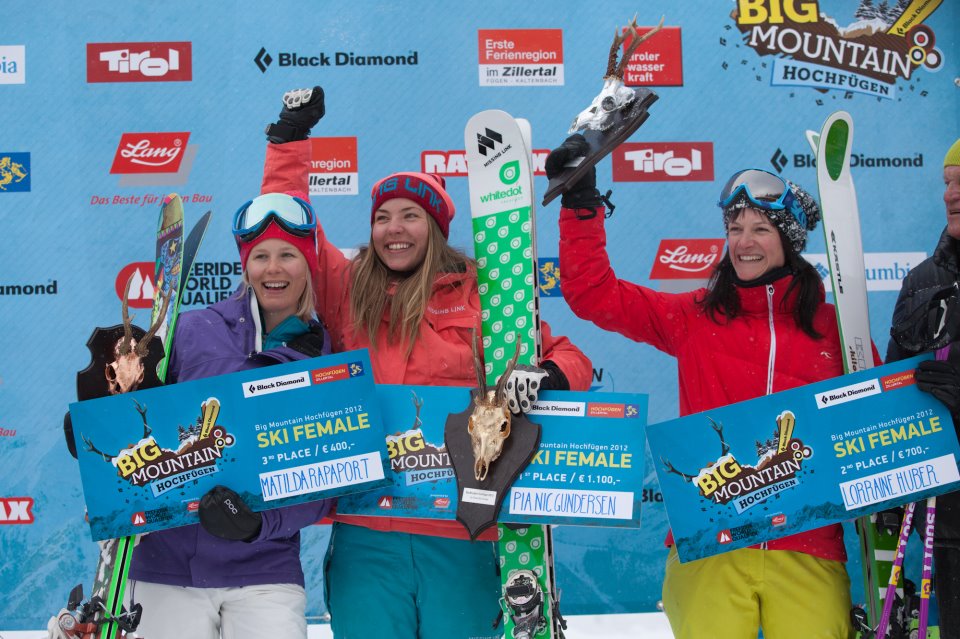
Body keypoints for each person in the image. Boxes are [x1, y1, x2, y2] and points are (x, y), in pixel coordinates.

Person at [259, 87, 593, 638]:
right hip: (368, 531)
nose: (394, 228)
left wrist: (548, 375)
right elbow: (288, 227)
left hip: (462, 530)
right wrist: (288, 142)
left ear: (436, 228)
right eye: (383, 216)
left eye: (410, 216)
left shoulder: (486, 294)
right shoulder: (347, 289)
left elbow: (566, 355)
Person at [547, 134, 880, 639]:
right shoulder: (696, 318)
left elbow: (876, 423)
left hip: (808, 546)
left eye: (761, 228)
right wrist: (581, 202)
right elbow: (594, 293)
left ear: (788, 239)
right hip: (710, 542)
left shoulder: (835, 329)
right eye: (735, 228)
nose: (744, 242)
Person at [122, 192, 333, 638]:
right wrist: (103, 416)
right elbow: (143, 418)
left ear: (309, 263)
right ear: (245, 265)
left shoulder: (325, 357)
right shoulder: (194, 329)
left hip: (264, 567)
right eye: (260, 256)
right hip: (168, 563)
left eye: (287, 255)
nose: (273, 269)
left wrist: (260, 523)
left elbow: (328, 477)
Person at [887, 137, 960, 639]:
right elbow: (894, 392)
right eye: (948, 183)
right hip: (949, 522)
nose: (950, 195)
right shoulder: (922, 281)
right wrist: (890, 492)